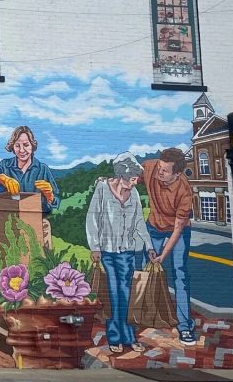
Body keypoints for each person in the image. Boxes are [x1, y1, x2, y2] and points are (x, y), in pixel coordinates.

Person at [86, 152, 156, 354]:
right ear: (123, 175)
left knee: (128, 296)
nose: (135, 183)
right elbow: (92, 220)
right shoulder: (102, 189)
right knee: (113, 296)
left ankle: (130, 336)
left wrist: (149, 245)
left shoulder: (133, 195)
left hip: (127, 253)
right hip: (107, 253)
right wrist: (95, 247)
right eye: (133, 179)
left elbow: (139, 223)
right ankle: (115, 337)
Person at [142, 147, 196, 345]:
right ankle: (144, 314)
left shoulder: (184, 191)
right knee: (145, 270)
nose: (159, 172)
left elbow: (177, 229)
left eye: (165, 171)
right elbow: (129, 174)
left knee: (180, 273)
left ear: (177, 173)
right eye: (159, 167)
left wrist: (162, 256)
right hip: (154, 226)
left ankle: (184, 326)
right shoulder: (151, 167)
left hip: (177, 230)